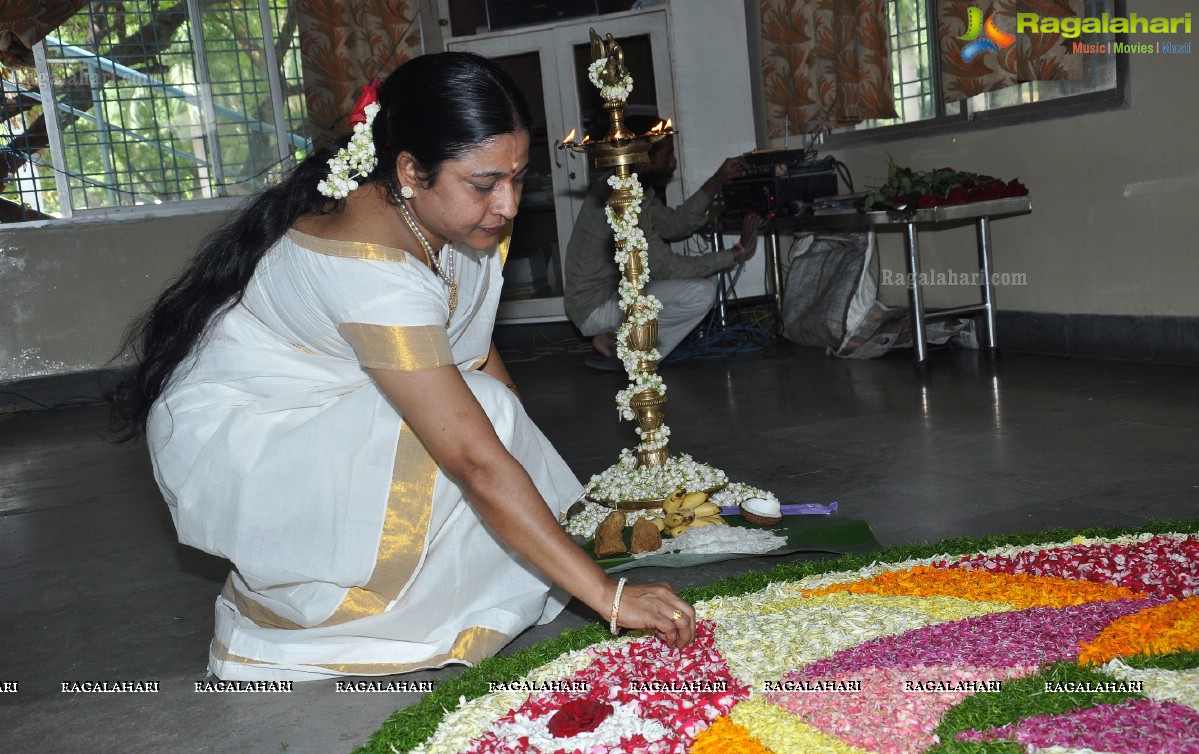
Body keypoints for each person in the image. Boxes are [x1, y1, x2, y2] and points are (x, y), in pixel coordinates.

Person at [109, 52, 695, 682]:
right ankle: (341, 624)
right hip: (251, 441)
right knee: (473, 437)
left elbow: (473, 352)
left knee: (488, 420)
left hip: (334, 407)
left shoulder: (437, 215)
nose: (508, 205)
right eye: (484, 183)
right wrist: (604, 596)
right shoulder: (372, 271)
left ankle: (450, 596)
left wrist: (539, 480)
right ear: (411, 170)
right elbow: (473, 458)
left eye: (519, 177)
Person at [564, 137, 760, 370]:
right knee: (700, 292)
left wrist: (717, 181)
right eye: (668, 155)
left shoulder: (630, 184)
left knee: (690, 285)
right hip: (596, 305)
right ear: (644, 159)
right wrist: (736, 253)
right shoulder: (622, 197)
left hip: (609, 297)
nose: (674, 162)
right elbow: (666, 266)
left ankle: (619, 343)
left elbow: (674, 225)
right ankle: (631, 357)